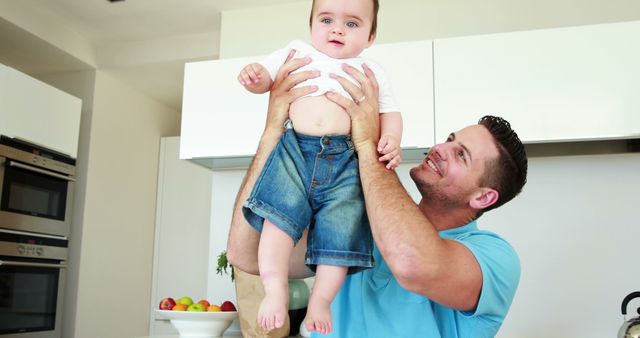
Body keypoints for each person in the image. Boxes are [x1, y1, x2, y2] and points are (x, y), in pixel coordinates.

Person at [227, 51, 528, 337]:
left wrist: (368, 143)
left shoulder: (495, 259)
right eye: (450, 138)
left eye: (461, 154)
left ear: (483, 198)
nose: (440, 148)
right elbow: (245, 254)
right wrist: (272, 134)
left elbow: (411, 262)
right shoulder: (358, 221)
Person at [236, 0, 402, 334]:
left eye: (352, 24)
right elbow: (264, 78)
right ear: (311, 25)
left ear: (371, 35)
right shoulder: (295, 52)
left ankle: (321, 301)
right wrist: (254, 77)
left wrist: (393, 139)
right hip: (294, 149)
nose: (337, 29)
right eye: (327, 19)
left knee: (338, 235)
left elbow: (391, 113)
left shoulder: (372, 72)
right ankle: (275, 288)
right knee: (276, 220)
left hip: (344, 161)